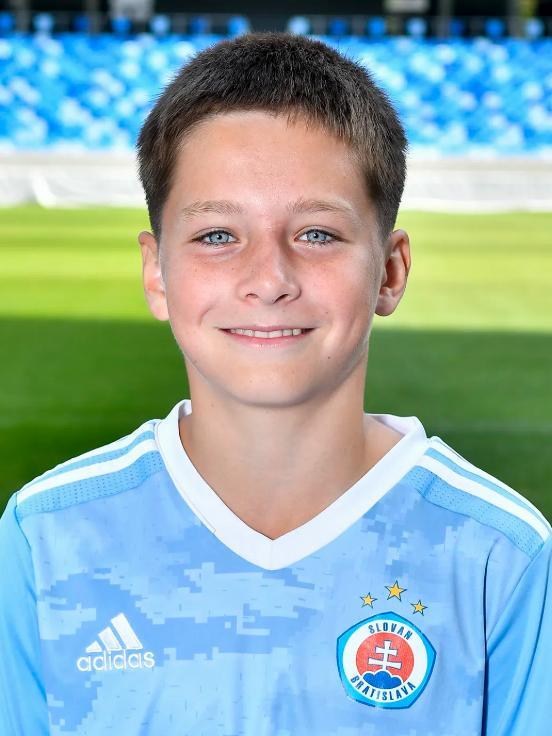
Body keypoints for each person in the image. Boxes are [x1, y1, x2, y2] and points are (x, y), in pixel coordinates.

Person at [0, 30, 550, 736]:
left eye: (317, 234)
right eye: (217, 236)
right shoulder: (47, 536)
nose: (269, 279)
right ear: (156, 273)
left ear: (389, 271)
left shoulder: (499, 555)